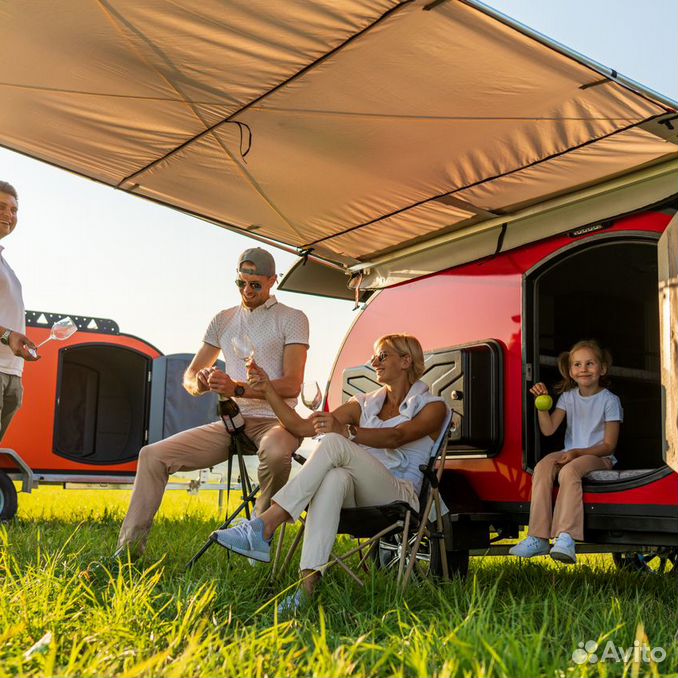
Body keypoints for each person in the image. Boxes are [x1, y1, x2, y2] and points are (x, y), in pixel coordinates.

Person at [211, 333, 448, 609]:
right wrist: (268, 391)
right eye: (374, 356)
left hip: (399, 494)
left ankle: (264, 526)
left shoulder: (433, 407)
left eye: (382, 355)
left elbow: (396, 436)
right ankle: (306, 593)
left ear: (406, 360)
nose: (374, 362)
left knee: (336, 441)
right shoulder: (364, 403)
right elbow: (301, 428)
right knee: (335, 477)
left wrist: (347, 431)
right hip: (359, 492)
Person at [115, 247, 309, 557]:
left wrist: (238, 388)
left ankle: (258, 537)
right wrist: (201, 383)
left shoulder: (293, 318)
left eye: (255, 284)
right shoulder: (223, 319)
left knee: (274, 454)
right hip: (231, 422)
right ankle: (127, 552)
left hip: (277, 421)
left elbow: (291, 385)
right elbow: (190, 377)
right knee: (152, 455)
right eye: (241, 283)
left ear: (272, 281)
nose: (247, 290)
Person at [510, 339, 623, 564]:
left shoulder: (610, 400)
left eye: (590, 364)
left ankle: (566, 538)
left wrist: (577, 453)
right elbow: (549, 428)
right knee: (543, 466)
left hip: (599, 457)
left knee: (568, 472)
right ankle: (538, 536)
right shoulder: (568, 397)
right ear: (570, 371)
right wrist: (542, 405)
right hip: (572, 453)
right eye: (578, 365)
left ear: (602, 369)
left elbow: (609, 445)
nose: (583, 369)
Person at [0, 181, 39, 443]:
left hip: (11, 372)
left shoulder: (6, 265)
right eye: (1, 207)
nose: (9, 215)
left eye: (14, 210)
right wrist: (7, 336)